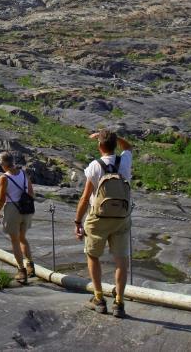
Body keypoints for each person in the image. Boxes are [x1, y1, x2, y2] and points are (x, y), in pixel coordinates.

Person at [74, 130, 134, 318]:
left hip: (98, 218)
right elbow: (129, 147)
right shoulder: (124, 161)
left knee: (92, 256)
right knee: (121, 260)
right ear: (115, 145)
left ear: (99, 146)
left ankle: (99, 299)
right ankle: (119, 303)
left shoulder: (94, 166)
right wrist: (114, 137)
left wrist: (77, 221)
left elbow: (85, 198)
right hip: (121, 218)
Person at [0, 151, 35, 284]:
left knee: (15, 240)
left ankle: (21, 271)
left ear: (3, 164)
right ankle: (31, 266)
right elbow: (31, 192)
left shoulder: (4, 178)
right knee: (23, 238)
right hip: (27, 210)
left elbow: (2, 198)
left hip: (12, 210)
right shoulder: (23, 173)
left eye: (0, 164)